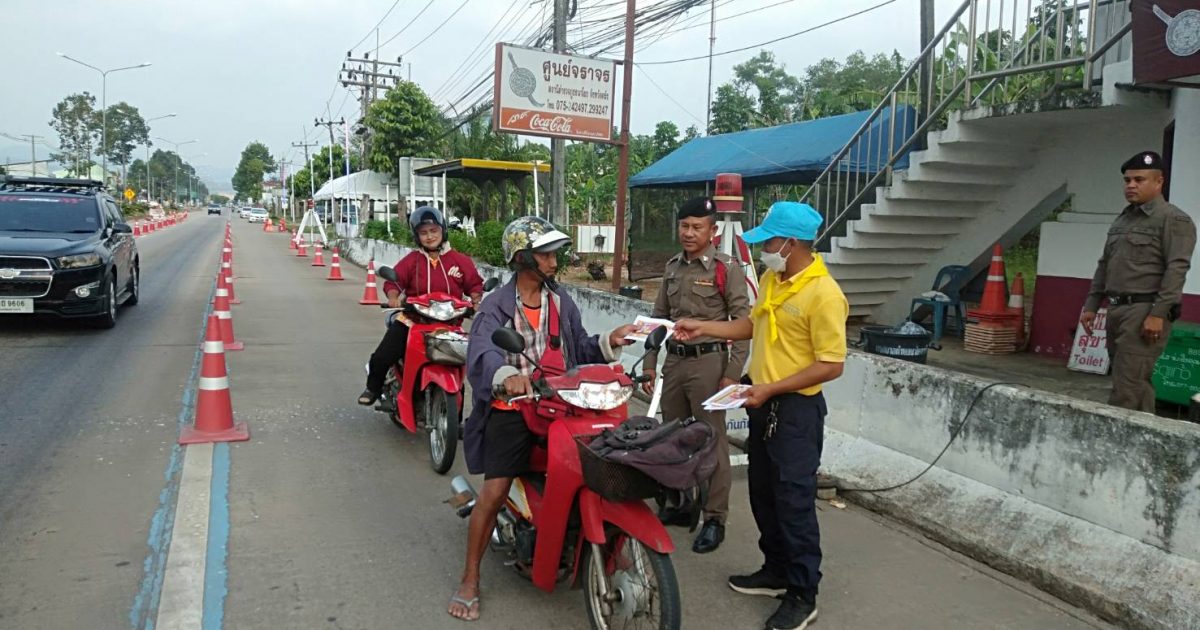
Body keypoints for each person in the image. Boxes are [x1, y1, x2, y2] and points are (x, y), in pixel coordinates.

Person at [448, 216, 636, 622]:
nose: (554, 261)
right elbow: (482, 350)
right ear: (522, 258)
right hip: (514, 409)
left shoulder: (560, 301)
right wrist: (506, 376)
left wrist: (610, 341)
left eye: (554, 254)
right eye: (546, 254)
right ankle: (470, 578)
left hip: (560, 405)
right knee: (494, 491)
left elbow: (579, 347)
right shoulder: (496, 305)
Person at [674, 201, 847, 630]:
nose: (763, 249)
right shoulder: (774, 279)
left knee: (794, 503)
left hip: (795, 411)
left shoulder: (824, 294)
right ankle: (776, 570)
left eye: (769, 242)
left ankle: (803, 593)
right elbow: (752, 325)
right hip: (762, 404)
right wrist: (704, 326)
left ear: (791, 243)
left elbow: (831, 364)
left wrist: (770, 388)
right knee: (764, 495)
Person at [642, 196, 750, 553]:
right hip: (674, 362)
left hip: (709, 365)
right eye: (684, 226)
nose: (689, 233)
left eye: (697, 227)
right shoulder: (672, 267)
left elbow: (744, 325)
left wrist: (732, 374)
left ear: (712, 230)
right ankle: (681, 502)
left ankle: (714, 518)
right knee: (673, 436)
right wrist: (649, 362)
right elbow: (658, 320)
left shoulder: (726, 268)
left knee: (712, 441)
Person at [1081, 151, 1195, 412]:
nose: (1131, 185)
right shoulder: (1124, 218)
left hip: (1144, 311)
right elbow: (1105, 264)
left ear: (1158, 182)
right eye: (1127, 180)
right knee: (1132, 383)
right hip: (1117, 309)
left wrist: (1158, 314)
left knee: (1127, 388)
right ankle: (1144, 433)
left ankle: (1117, 436)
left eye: (1139, 180)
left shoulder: (1173, 220)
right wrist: (1091, 304)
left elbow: (1177, 269)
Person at [357, 206, 484, 406]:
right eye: (423, 233)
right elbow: (394, 282)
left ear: (443, 230)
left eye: (434, 231)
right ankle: (373, 387)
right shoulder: (412, 261)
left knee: (467, 362)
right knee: (383, 356)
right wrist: (393, 297)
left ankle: (455, 412)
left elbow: (475, 285)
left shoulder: (460, 261)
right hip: (413, 321)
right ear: (417, 236)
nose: (430, 236)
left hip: (450, 325)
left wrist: (476, 301)